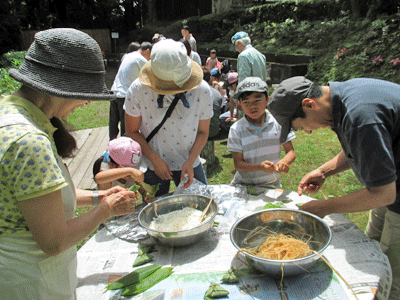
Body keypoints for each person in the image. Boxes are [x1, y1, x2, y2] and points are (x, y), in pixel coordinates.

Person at [0, 28, 139, 299]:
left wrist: (99, 197)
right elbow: (54, 240)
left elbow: (41, 200)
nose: (87, 102)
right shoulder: (29, 141)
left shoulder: (13, 114)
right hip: (30, 282)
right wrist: (105, 210)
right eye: (85, 93)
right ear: (61, 88)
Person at [267, 76, 400, 299]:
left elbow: (383, 194)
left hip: (390, 189)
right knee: (371, 247)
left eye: (299, 126)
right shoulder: (341, 99)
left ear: (309, 104)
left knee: (392, 268)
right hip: (389, 179)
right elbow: (364, 145)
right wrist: (324, 171)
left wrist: (322, 208)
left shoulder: (360, 116)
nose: (307, 132)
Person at [124, 39, 213, 197]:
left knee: (201, 205)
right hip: (152, 163)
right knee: (156, 214)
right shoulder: (138, 89)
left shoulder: (202, 90)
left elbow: (203, 132)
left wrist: (191, 161)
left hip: (189, 159)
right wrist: (154, 159)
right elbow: (131, 131)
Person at [227, 77, 296, 188]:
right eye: (246, 102)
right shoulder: (236, 129)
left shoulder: (279, 123)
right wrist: (260, 167)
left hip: (272, 185)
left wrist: (284, 162)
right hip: (244, 186)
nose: (252, 106)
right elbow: (238, 164)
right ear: (239, 104)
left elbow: (291, 152)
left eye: (257, 101)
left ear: (267, 100)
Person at [110, 42, 152, 140]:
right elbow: (150, 77)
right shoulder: (141, 59)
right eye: (150, 55)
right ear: (147, 51)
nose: (149, 59)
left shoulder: (128, 55)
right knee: (126, 128)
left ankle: (111, 145)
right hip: (124, 95)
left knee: (113, 123)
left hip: (114, 92)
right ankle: (125, 151)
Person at [93, 136, 149, 201]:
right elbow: (98, 178)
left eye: (135, 168)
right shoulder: (108, 179)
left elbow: (142, 190)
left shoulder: (131, 176)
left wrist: (146, 195)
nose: (132, 172)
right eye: (127, 168)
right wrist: (129, 171)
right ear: (112, 165)